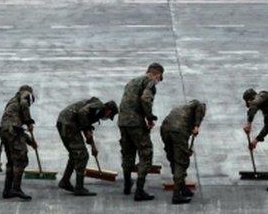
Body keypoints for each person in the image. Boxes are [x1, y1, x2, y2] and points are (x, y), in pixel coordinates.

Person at [118, 63, 164, 202]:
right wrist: (149, 117)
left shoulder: (132, 81)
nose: (159, 81)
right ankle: (139, 190)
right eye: (160, 78)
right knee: (146, 152)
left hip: (122, 121)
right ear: (157, 74)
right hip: (135, 123)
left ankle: (127, 185)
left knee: (127, 152)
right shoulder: (149, 81)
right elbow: (145, 99)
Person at [57, 97, 117, 197]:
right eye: (109, 115)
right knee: (82, 155)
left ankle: (65, 181)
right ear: (108, 110)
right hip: (68, 124)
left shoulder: (96, 111)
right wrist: (87, 129)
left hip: (64, 122)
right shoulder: (99, 106)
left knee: (74, 154)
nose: (107, 118)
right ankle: (79, 188)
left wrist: (93, 146)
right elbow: (82, 113)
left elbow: (87, 129)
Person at [160, 99, 206, 204]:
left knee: (173, 158)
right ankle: (177, 195)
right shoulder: (199, 106)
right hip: (177, 130)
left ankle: (182, 187)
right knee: (181, 161)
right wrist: (197, 126)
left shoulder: (184, 109)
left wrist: (185, 149)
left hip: (165, 128)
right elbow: (199, 107)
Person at [0, 85, 36, 201]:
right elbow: (25, 105)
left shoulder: (13, 102)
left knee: (11, 161)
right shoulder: (24, 94)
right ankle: (16, 188)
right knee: (21, 160)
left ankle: (7, 190)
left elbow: (17, 130)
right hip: (12, 130)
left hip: (5, 130)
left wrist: (30, 141)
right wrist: (29, 122)